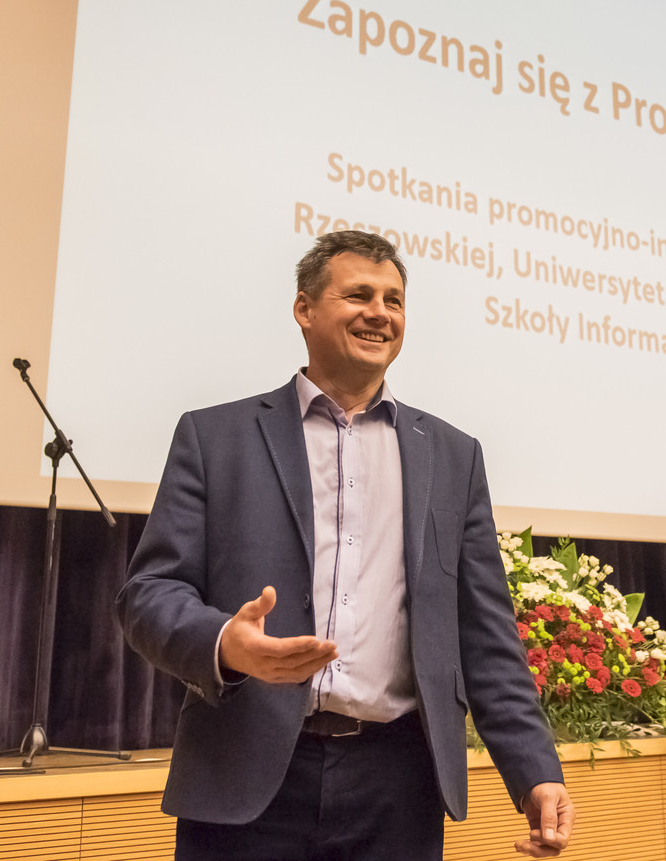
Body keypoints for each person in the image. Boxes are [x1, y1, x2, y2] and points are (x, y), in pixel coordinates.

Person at [117, 231, 574, 861]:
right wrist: (226, 644)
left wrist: (535, 770)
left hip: (398, 788)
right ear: (304, 309)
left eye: (394, 300)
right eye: (359, 295)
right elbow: (148, 594)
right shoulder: (214, 437)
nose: (379, 313)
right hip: (246, 774)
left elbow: (485, 633)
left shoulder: (453, 456)